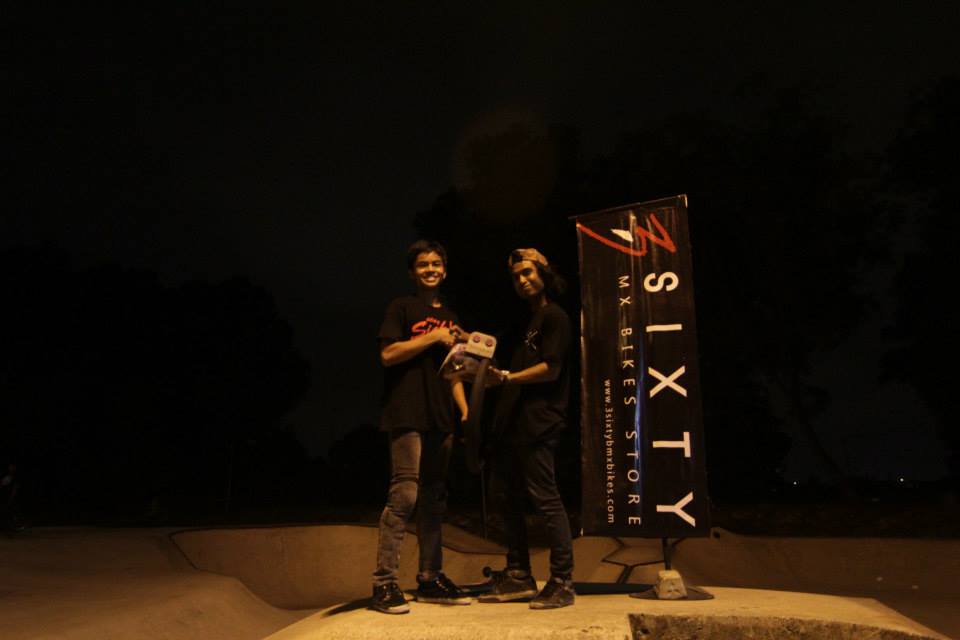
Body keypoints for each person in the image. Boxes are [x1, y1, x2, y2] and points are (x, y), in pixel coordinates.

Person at [371, 239, 473, 614]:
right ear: (413, 273)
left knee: (434, 499)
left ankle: (430, 578)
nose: (430, 269)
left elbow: (455, 374)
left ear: (444, 271)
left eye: (436, 264)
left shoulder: (452, 317)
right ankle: (384, 583)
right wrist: (432, 336)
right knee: (404, 496)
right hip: (407, 411)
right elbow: (387, 354)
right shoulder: (401, 307)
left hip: (441, 416)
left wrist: (465, 411)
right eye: (423, 265)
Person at [483, 248, 576, 609]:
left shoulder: (555, 316)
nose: (522, 280)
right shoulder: (528, 321)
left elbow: (551, 369)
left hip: (541, 422)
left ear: (543, 273)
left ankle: (562, 581)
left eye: (528, 273)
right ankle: (519, 575)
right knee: (508, 498)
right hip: (515, 426)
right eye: (516, 276)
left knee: (545, 498)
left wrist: (508, 377)